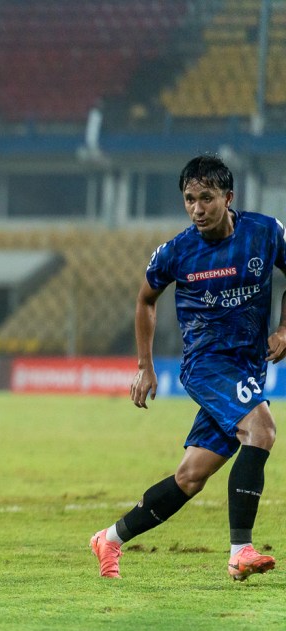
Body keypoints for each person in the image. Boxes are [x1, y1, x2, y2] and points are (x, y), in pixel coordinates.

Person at [91, 155, 283, 581]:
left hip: (248, 366)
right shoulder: (176, 251)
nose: (197, 208)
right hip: (206, 364)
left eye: (206, 198)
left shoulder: (265, 232)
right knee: (262, 430)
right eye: (190, 199)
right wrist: (145, 366)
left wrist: (285, 329)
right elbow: (145, 299)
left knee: (191, 475)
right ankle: (240, 552)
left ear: (228, 197)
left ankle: (110, 539)